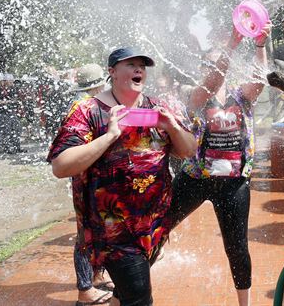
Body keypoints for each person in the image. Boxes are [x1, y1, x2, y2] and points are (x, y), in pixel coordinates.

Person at [47, 47, 196, 306]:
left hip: (153, 226)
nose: (139, 69)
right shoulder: (88, 110)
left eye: (142, 66)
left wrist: (172, 127)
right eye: (131, 64)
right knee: (139, 299)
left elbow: (188, 151)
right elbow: (61, 166)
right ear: (112, 72)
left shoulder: (157, 108)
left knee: (125, 294)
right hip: (112, 230)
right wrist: (110, 135)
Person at [166, 23, 271, 306]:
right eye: (207, 64)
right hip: (195, 179)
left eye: (217, 63)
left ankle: (244, 304)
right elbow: (213, 81)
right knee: (157, 227)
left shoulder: (241, 95)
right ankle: (131, 290)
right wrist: (231, 46)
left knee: (236, 248)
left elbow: (260, 80)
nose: (212, 69)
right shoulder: (194, 96)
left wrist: (260, 45)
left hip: (233, 184)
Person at [64, 63, 115, 306]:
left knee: (100, 229)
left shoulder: (94, 105)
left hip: (96, 177)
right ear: (99, 84)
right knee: (85, 233)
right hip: (85, 178)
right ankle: (84, 291)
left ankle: (95, 276)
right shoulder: (82, 108)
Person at [0, 73, 24, 153]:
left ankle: (16, 146)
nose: (12, 82)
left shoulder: (12, 89)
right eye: (10, 81)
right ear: (5, 81)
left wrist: (8, 102)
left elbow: (16, 99)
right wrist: (8, 102)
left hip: (11, 111)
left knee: (17, 128)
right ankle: (7, 148)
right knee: (5, 130)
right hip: (1, 112)